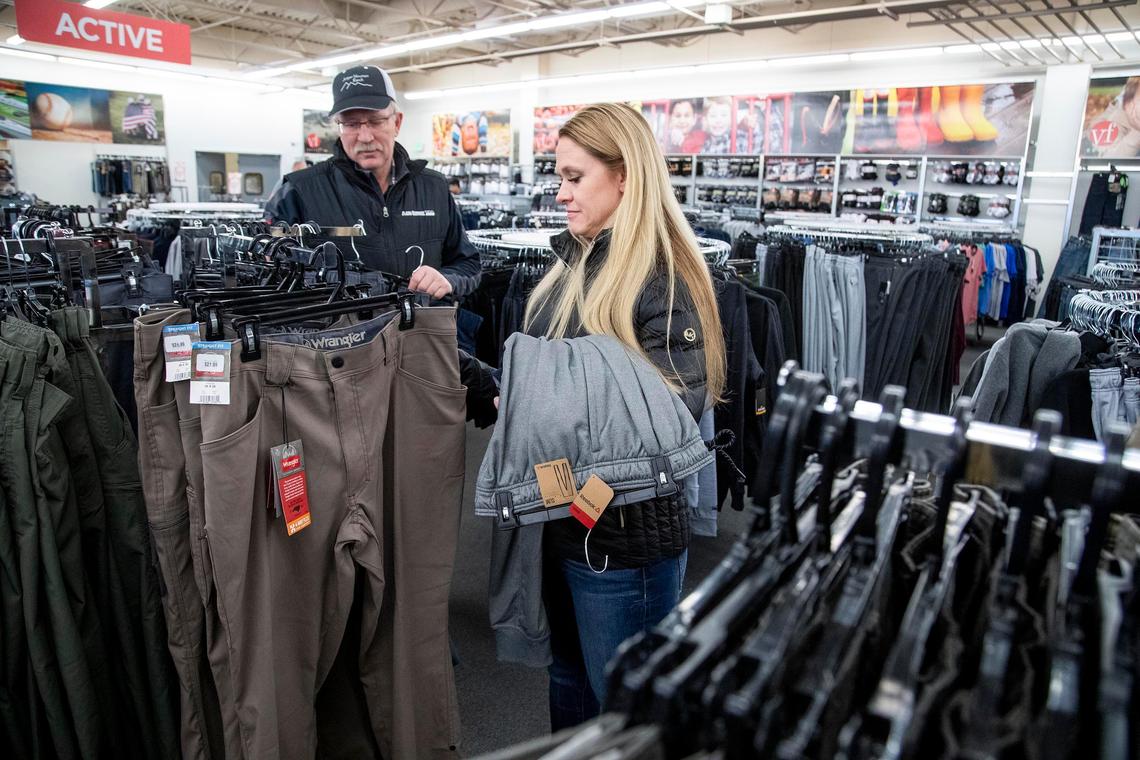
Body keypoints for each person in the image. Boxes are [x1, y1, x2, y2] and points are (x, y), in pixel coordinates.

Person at [503, 102, 726, 729]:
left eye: (575, 177)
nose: (560, 193)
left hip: (625, 541)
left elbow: (669, 419)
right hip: (561, 526)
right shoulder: (568, 270)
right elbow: (552, 392)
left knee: (626, 717)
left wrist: (538, 411)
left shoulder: (664, 280)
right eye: (560, 177)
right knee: (571, 687)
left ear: (624, 175)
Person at [266, 65, 480, 299]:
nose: (365, 137)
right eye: (351, 124)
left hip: (423, 321)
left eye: (376, 121)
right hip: (340, 324)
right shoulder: (298, 191)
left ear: (397, 123)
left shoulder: (434, 188)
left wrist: (448, 279)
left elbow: (468, 264)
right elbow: (268, 276)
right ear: (339, 128)